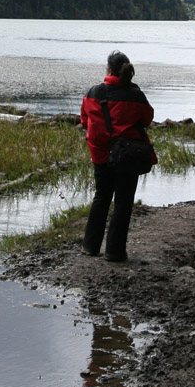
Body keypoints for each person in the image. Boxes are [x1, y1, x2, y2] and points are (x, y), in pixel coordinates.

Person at [79, 50, 155, 262]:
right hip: (128, 156)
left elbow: (85, 121)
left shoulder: (93, 93)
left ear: (108, 70)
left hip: (101, 154)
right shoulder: (136, 95)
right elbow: (147, 119)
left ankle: (89, 246)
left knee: (101, 197)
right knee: (123, 202)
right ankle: (114, 251)